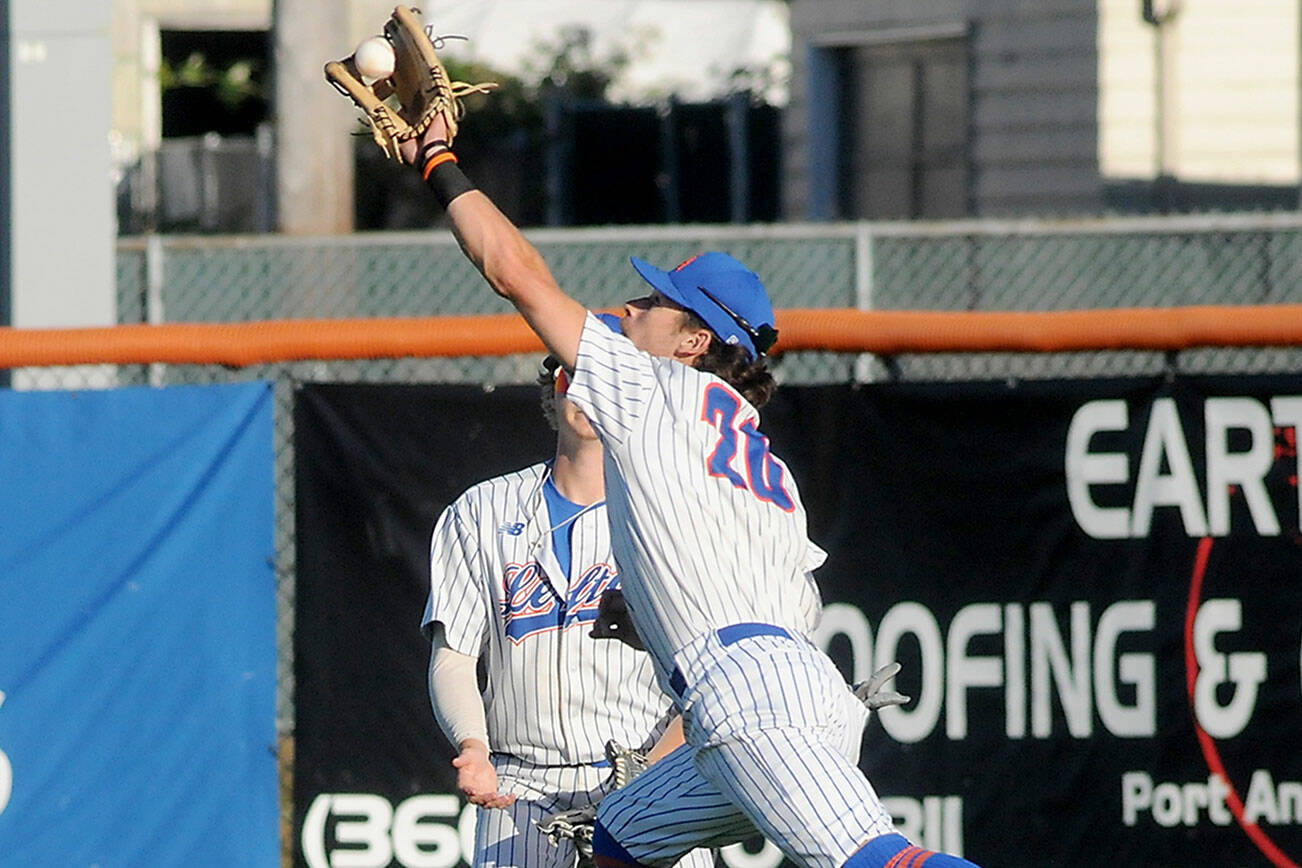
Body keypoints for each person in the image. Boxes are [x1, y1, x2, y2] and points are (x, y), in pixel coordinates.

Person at [400, 107, 980, 868]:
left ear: (695, 341)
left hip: (746, 698)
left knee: (879, 860)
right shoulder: (762, 464)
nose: (630, 309)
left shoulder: (655, 392)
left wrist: (439, 162)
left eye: (653, 304)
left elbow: (516, 275)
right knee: (620, 838)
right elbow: (768, 601)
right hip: (800, 693)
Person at [421, 332, 714, 868]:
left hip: (649, 775)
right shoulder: (480, 511)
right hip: (519, 788)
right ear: (553, 388)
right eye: (570, 374)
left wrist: (654, 767)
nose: (583, 389)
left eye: (602, 377)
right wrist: (472, 746)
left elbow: (712, 674)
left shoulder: (681, 514)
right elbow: (454, 656)